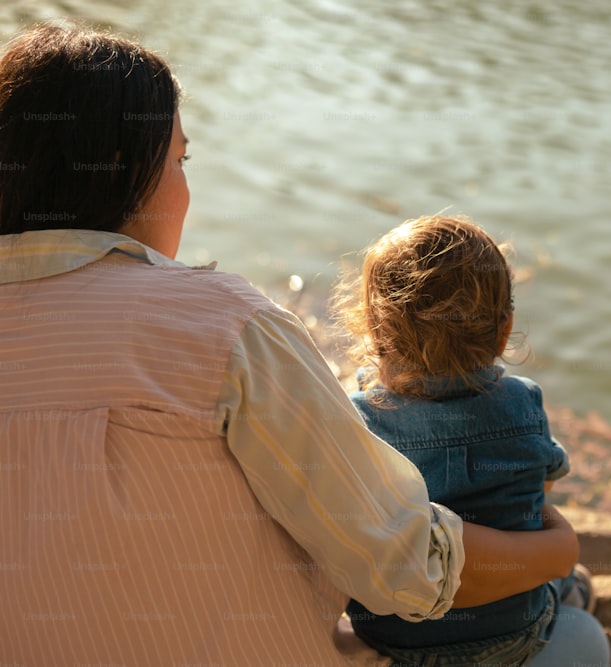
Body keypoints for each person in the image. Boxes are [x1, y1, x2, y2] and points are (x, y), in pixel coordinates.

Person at [0, 23, 581, 666]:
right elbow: (402, 567)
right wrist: (559, 553)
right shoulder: (224, 327)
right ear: (122, 170)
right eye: (179, 161)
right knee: (580, 639)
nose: (185, 186)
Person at [335, 214, 611, 666]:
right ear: (505, 329)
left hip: (391, 638)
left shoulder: (356, 420)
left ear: (372, 331)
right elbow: (542, 492)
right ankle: (571, 590)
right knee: (585, 632)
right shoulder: (523, 403)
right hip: (513, 635)